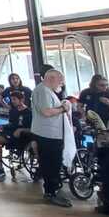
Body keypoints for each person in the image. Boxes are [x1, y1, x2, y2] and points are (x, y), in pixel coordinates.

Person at [31, 67, 73, 207]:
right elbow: (46, 112)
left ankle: (52, 190)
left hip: (50, 133)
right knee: (51, 164)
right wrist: (63, 108)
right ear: (51, 79)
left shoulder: (47, 91)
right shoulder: (43, 91)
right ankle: (51, 192)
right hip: (48, 135)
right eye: (60, 81)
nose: (62, 84)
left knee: (51, 163)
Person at [0, 90, 32, 180]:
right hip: (8, 132)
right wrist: (3, 126)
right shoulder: (13, 111)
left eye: (14, 99)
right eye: (12, 99)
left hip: (19, 136)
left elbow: (31, 129)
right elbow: (11, 123)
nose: (12, 101)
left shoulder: (29, 113)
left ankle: (0, 168)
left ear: (21, 100)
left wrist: (21, 129)